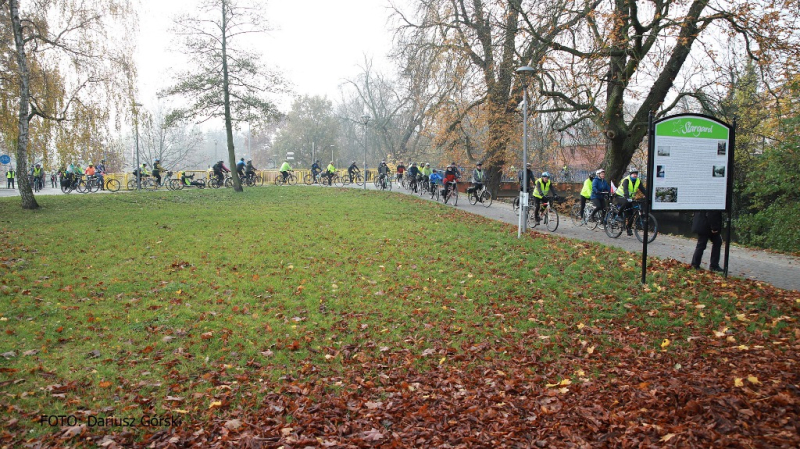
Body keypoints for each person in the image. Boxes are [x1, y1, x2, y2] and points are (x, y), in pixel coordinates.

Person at [614, 167, 648, 235]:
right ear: (630, 174)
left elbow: (642, 189)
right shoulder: (626, 180)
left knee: (631, 215)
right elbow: (625, 190)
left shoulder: (638, 181)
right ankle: (618, 215)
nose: (635, 175)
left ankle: (628, 228)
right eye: (633, 174)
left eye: (636, 174)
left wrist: (648, 196)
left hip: (629, 198)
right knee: (625, 202)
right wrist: (627, 197)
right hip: (619, 196)